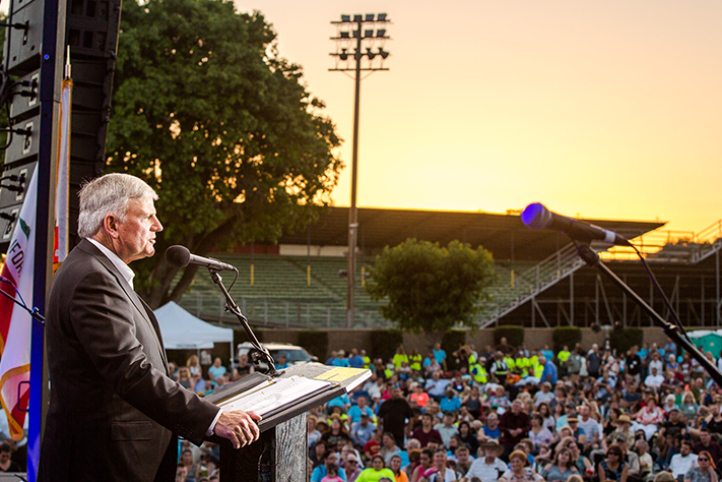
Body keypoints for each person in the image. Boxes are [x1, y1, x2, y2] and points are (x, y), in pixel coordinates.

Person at [38, 173, 260, 481]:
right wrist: (212, 418)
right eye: (147, 217)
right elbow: (130, 371)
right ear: (112, 225)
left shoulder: (97, 272)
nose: (158, 227)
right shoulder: (92, 278)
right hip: (103, 466)